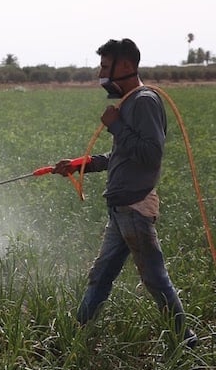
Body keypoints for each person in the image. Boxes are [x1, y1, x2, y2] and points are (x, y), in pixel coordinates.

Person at [53, 38, 197, 347]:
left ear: (127, 66)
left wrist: (116, 126)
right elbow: (120, 156)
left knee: (155, 279)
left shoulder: (144, 101)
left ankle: (186, 342)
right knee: (101, 275)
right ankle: (76, 333)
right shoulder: (130, 102)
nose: (101, 74)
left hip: (134, 209)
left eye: (106, 67)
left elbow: (150, 153)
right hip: (120, 211)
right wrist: (80, 164)